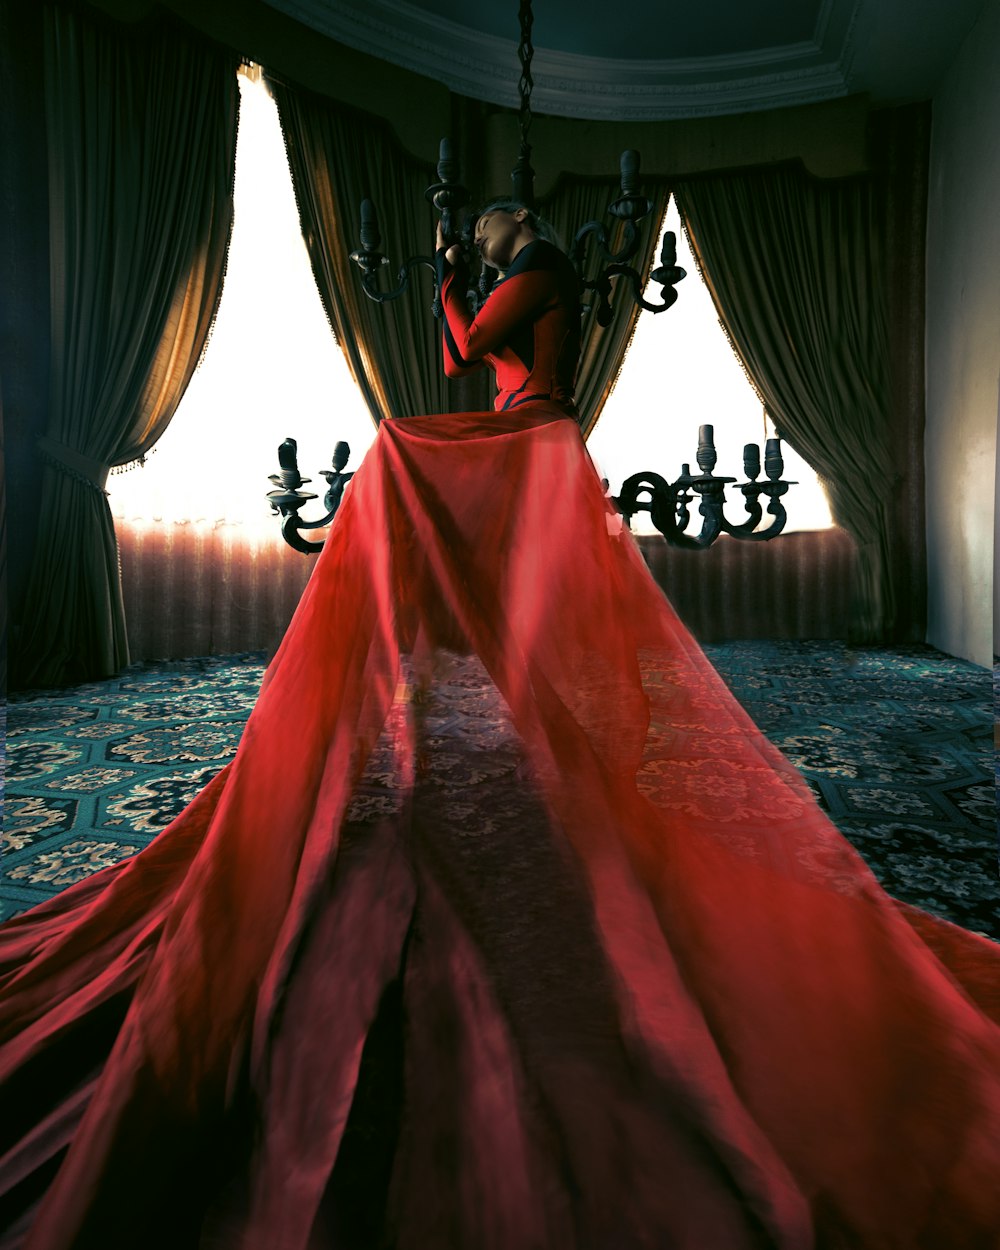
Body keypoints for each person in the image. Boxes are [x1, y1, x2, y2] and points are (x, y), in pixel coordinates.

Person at [2, 203, 1000, 1250]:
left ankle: (487, 698)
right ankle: (469, 689)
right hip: (523, 433)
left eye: (484, 228)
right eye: (480, 233)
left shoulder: (547, 260)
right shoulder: (505, 273)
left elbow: (477, 346)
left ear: (512, 224)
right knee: (455, 538)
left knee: (409, 463)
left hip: (538, 434)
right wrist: (446, 281)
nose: (480, 238)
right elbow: (454, 346)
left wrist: (459, 280)